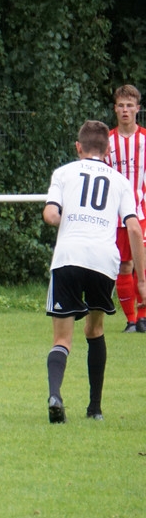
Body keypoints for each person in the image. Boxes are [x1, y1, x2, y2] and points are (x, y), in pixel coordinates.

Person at [43, 119, 146, 423]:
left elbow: (50, 214)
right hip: (103, 260)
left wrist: (63, 218)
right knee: (95, 330)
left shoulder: (63, 173)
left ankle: (55, 395)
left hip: (68, 256)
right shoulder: (120, 181)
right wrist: (141, 279)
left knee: (62, 340)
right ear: (108, 149)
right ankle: (95, 409)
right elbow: (134, 229)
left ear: (78, 147)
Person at [105, 84, 146, 332]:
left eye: (129, 106)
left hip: (142, 212)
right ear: (115, 109)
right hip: (116, 216)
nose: (125, 110)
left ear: (137, 109)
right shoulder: (107, 142)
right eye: (121, 105)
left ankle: (143, 318)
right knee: (124, 266)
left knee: (143, 265)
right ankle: (130, 320)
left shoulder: (145, 139)